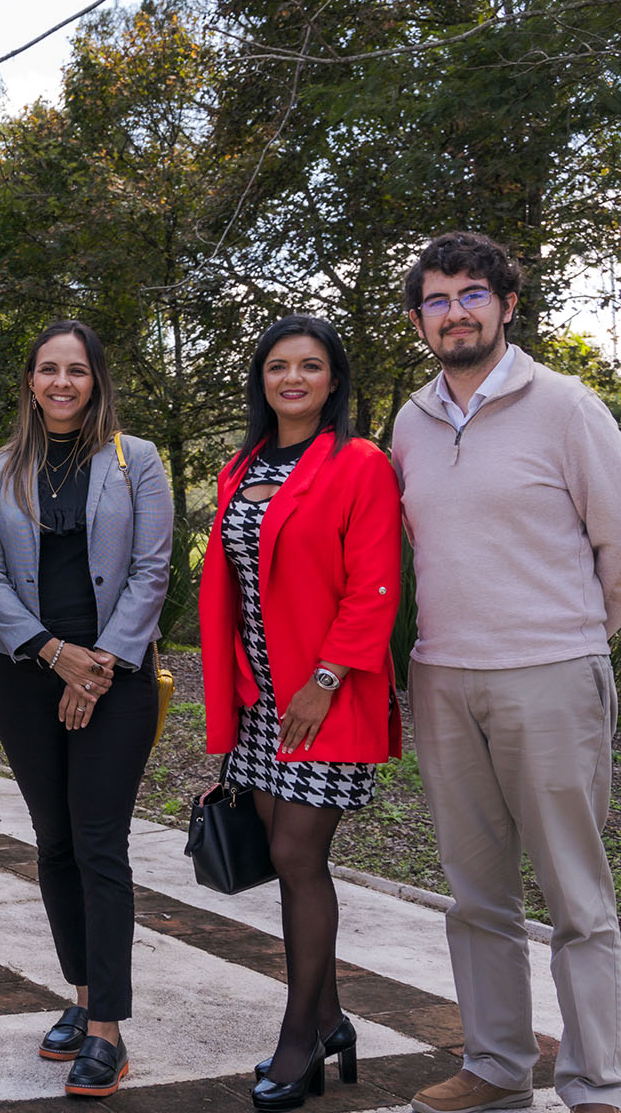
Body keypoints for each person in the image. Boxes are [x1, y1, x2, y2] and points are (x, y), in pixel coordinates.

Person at [393, 232, 621, 1113]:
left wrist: (573, 641)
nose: (456, 312)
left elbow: (616, 546)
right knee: (475, 892)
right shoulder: (411, 422)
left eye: (472, 294)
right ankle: (495, 1065)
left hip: (551, 675)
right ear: (420, 320)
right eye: (438, 300)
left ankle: (598, 1080)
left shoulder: (567, 407)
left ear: (506, 304)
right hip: (445, 679)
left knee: (576, 891)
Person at [198, 315, 401, 1113]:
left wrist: (324, 676)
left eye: (309, 366)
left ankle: (300, 1035)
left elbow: (375, 581)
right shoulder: (239, 466)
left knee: (296, 853)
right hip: (260, 702)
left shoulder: (359, 464)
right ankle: (330, 1016)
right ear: (261, 379)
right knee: (289, 859)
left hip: (325, 695)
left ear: (333, 380)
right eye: (278, 366)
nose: (292, 379)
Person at [0, 320, 171, 1100]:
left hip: (116, 676)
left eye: (76, 371)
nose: (61, 383)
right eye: (47, 369)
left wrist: (100, 666)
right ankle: (81, 998)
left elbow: (152, 573)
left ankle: (109, 1033)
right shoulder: (1, 470)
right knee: (53, 842)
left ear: (96, 381)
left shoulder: (137, 461)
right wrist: (55, 657)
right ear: (30, 381)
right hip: (24, 673)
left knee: (99, 842)